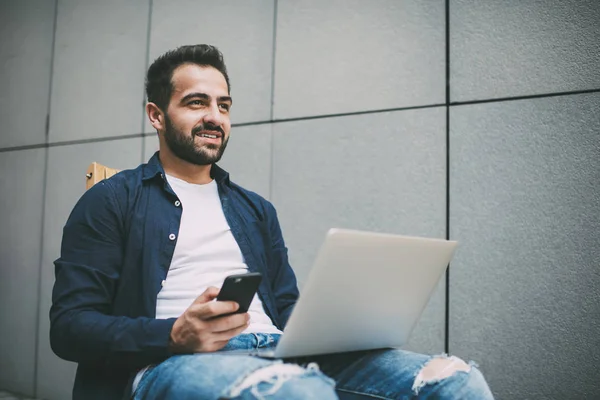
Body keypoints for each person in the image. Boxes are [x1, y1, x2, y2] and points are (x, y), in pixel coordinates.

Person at [50, 44, 494, 400]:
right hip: (172, 363)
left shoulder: (256, 209)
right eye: (196, 103)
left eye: (224, 105)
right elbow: (69, 328)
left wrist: (343, 321)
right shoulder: (112, 199)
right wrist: (173, 334)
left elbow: (287, 307)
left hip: (283, 353)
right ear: (156, 115)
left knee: (455, 381)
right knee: (299, 392)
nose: (215, 117)